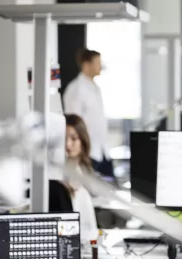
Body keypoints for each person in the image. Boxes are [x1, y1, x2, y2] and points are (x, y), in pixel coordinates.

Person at [63, 48, 114, 177]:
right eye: (97, 62)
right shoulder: (76, 89)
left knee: (110, 189)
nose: (100, 66)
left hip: (101, 150)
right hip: (88, 152)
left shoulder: (95, 88)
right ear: (86, 65)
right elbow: (73, 123)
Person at [64, 114, 98, 242]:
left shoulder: (82, 171)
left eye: (74, 138)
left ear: (83, 141)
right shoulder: (57, 176)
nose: (68, 145)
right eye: (63, 139)